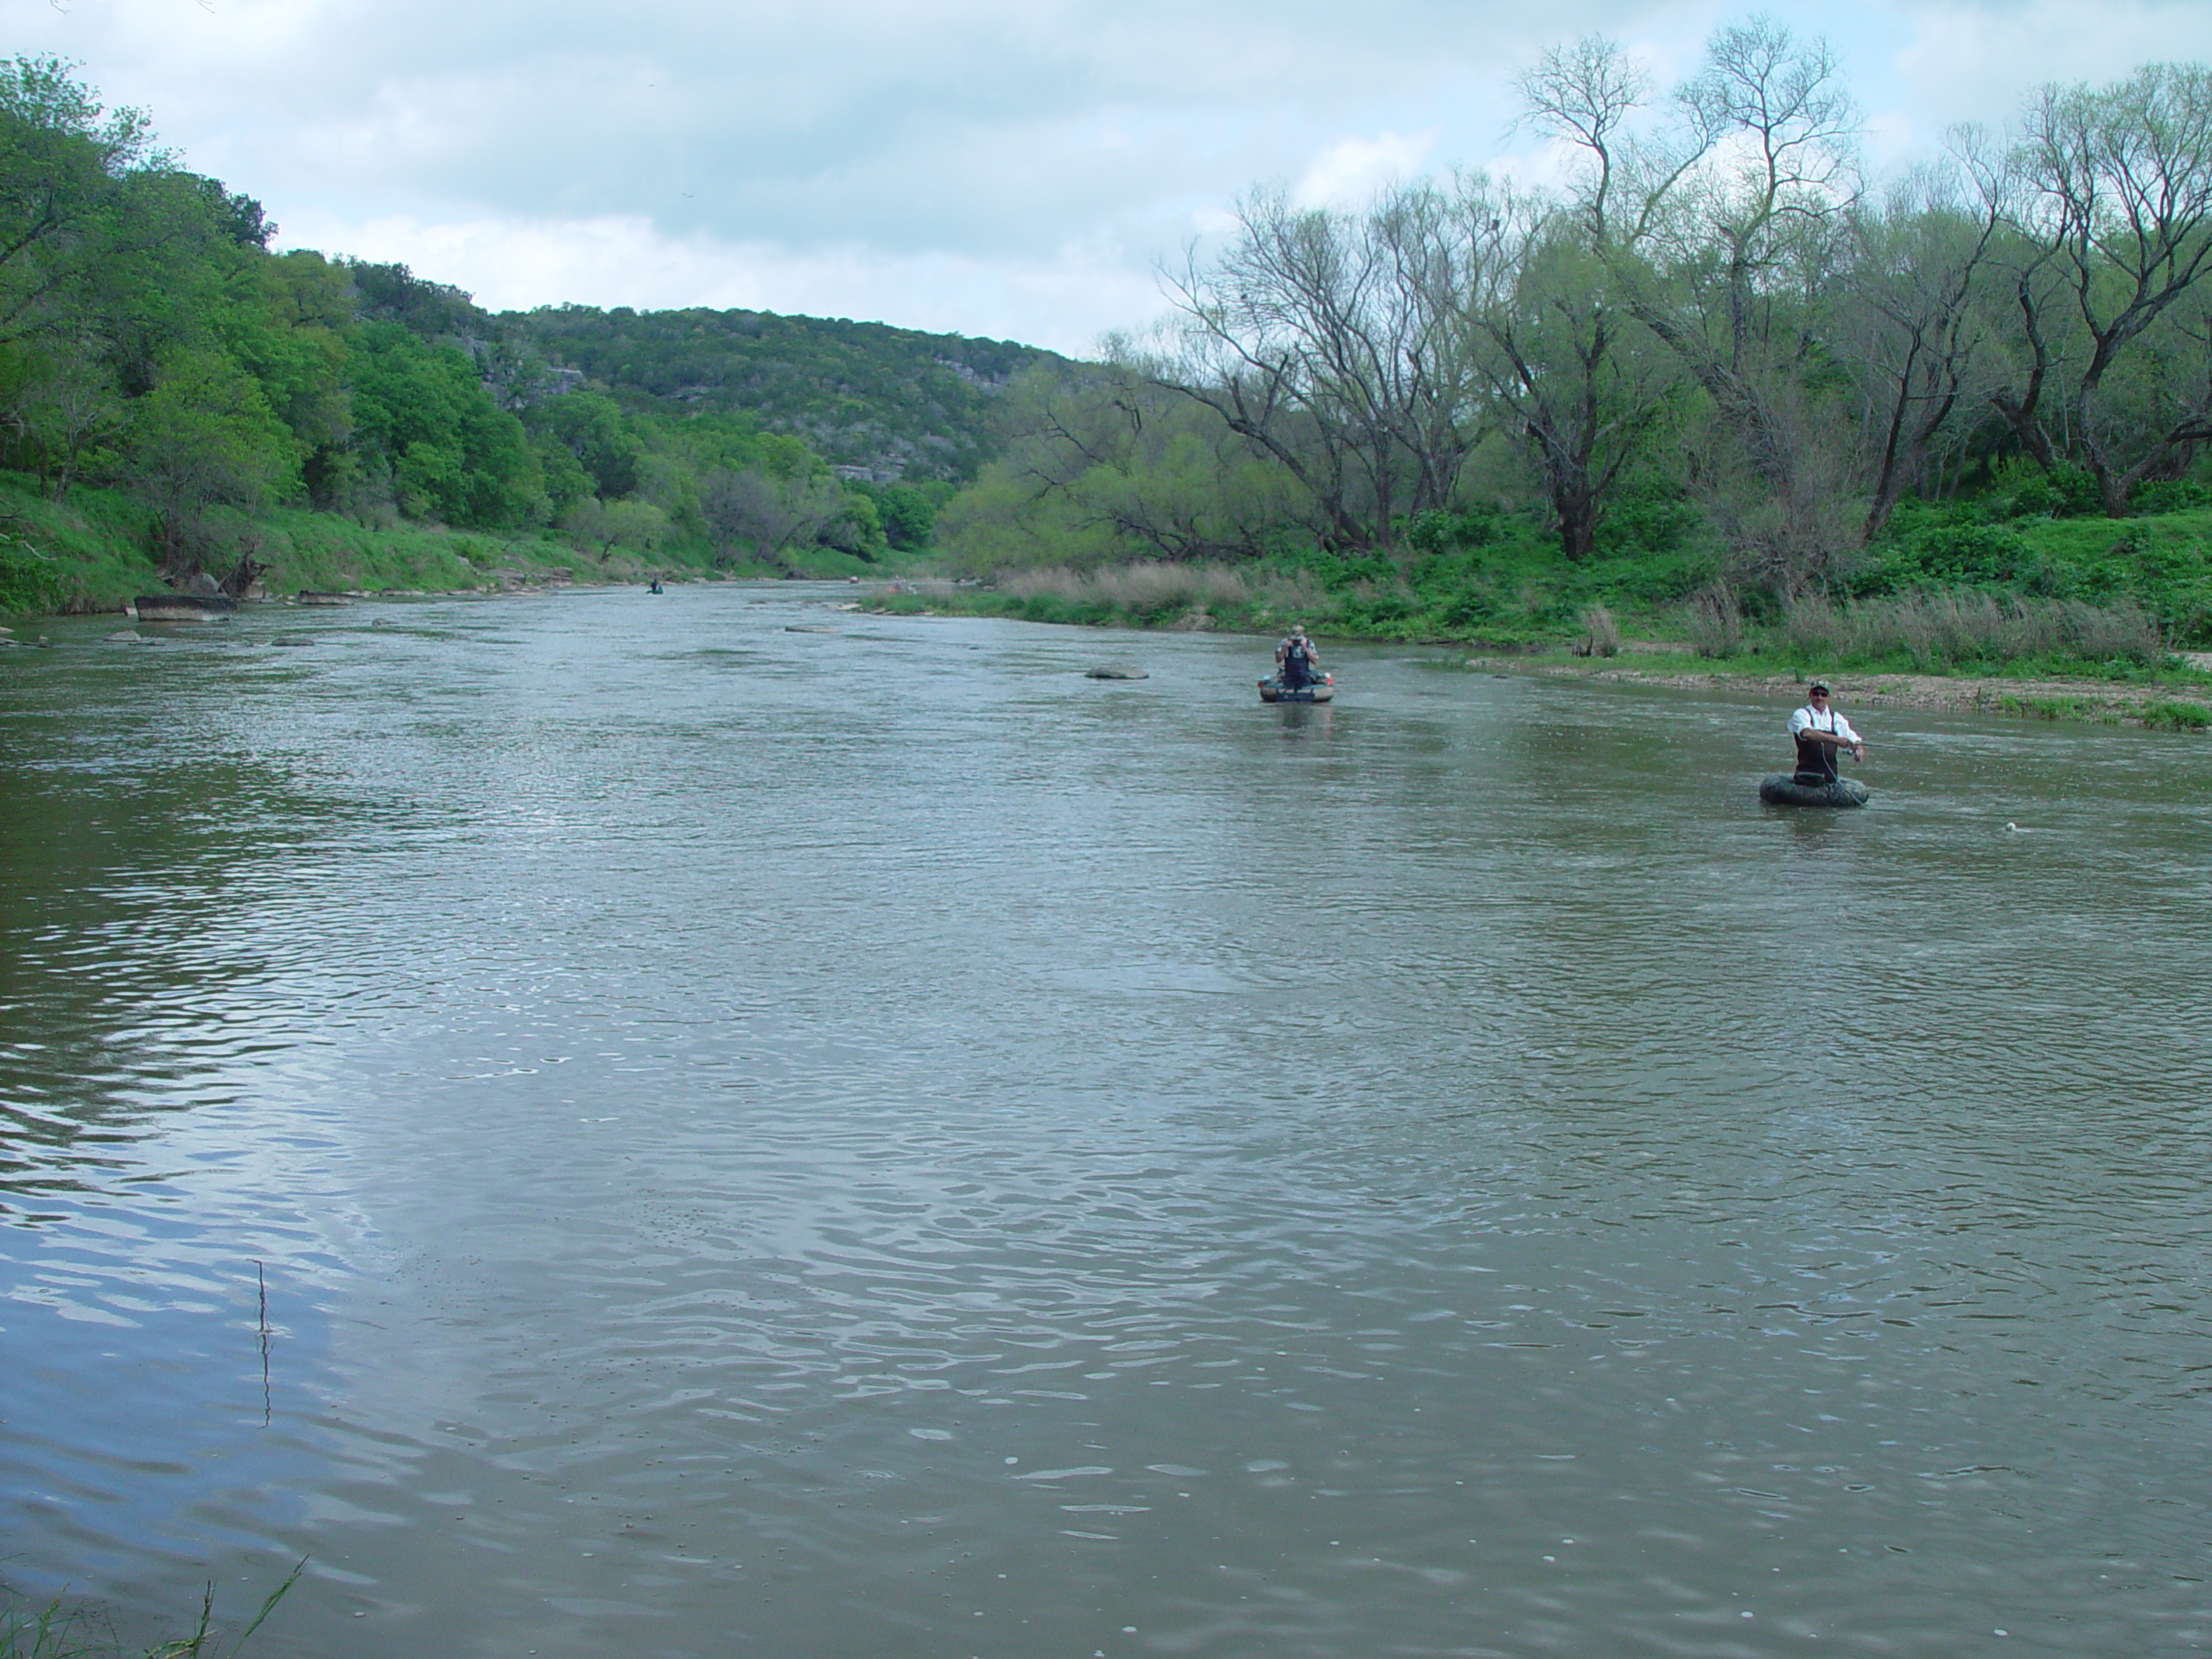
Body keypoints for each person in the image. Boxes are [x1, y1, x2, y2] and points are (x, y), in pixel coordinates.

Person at [1787, 682, 1866, 784]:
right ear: (1810, 695)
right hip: (1806, 777)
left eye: (1823, 694)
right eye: (1816, 694)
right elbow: (1807, 733)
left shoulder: (1836, 718)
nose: (1819, 697)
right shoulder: (1801, 714)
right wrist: (1836, 739)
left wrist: (1858, 749)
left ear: (1829, 697)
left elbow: (1852, 738)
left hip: (1830, 777)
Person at [1276, 626, 1320, 690]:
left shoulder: (1309, 643)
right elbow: (1278, 660)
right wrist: (1285, 648)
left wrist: (1305, 648)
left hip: (1304, 676)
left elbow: (1314, 661)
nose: (1296, 641)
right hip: (1289, 677)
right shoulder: (1284, 642)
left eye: (1298, 640)